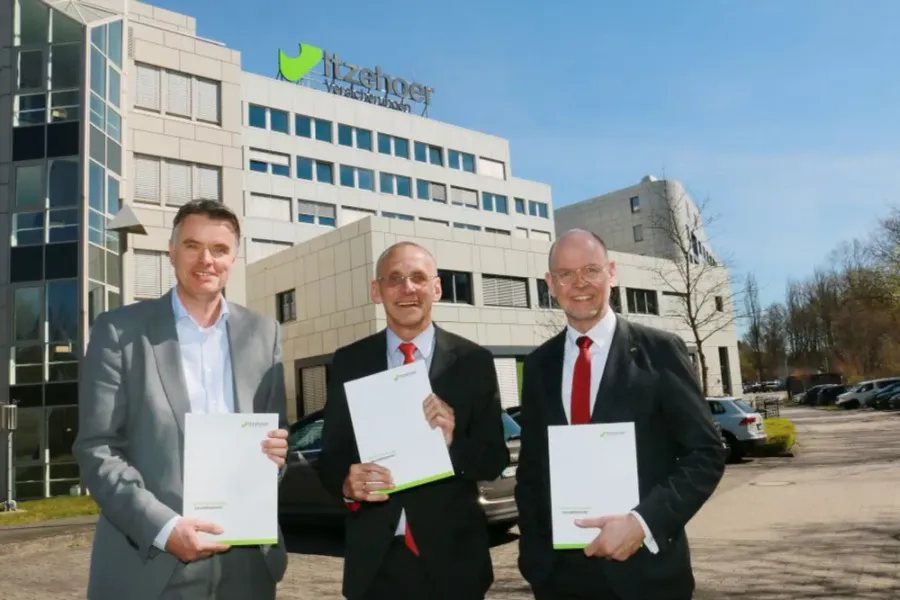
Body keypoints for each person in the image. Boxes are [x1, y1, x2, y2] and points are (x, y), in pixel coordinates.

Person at [73, 199, 290, 600]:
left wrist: (276, 455)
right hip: (151, 562)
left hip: (247, 564)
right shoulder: (119, 331)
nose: (206, 260)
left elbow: (276, 440)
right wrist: (164, 528)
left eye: (220, 249)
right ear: (171, 252)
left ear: (234, 258)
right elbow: (97, 447)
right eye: (193, 246)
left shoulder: (265, 333)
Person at [515, 228, 726, 600]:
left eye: (591, 270)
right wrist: (534, 560)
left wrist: (643, 523)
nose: (579, 283)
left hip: (648, 577)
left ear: (611, 273)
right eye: (565, 274)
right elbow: (531, 470)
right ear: (550, 283)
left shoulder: (660, 351)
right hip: (560, 580)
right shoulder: (537, 366)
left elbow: (706, 453)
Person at [318, 241, 509, 600]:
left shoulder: (474, 362)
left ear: (436, 288)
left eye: (418, 278)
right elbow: (330, 457)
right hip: (376, 565)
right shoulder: (349, 362)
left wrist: (452, 442)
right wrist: (346, 483)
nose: (407, 288)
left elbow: (493, 459)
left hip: (454, 564)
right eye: (395, 278)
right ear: (377, 291)